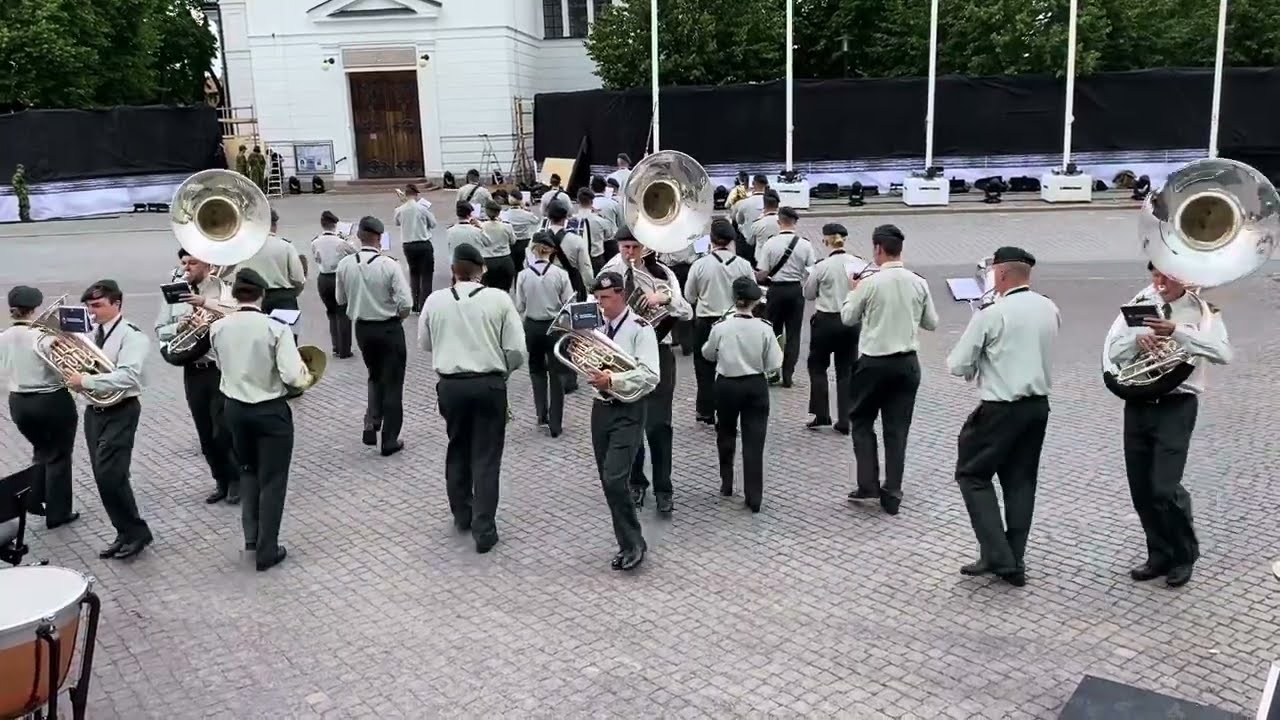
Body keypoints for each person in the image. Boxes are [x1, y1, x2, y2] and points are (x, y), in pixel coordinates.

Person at [1106, 261, 1232, 588]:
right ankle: (1158, 553)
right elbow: (1113, 351)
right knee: (1141, 489)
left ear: (1184, 278)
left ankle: (1184, 554)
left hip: (1176, 404)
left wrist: (1177, 332)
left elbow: (1222, 353)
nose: (1159, 282)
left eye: (1167, 275)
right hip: (1138, 403)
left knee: (1164, 486)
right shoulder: (1137, 307)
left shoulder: (1204, 313)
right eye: (1155, 274)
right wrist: (1138, 342)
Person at [946, 247, 1059, 587]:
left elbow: (957, 364)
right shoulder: (1049, 307)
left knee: (972, 475)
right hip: (1037, 406)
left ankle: (1000, 556)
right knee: (1021, 482)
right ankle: (1014, 557)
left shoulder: (992, 313)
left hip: (1000, 408)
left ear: (1001, 275)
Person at [420, 243, 527, 553]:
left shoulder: (435, 300)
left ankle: (462, 514)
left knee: (457, 447)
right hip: (488, 384)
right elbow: (517, 351)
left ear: (453, 270)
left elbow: (425, 343)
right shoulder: (499, 299)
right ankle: (485, 527)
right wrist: (503, 371)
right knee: (487, 456)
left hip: (451, 385)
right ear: (482, 270)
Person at [210, 268, 313, 572]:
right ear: (262, 295)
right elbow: (293, 376)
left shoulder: (218, 328)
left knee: (248, 472)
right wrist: (304, 378)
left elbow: (220, 363)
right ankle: (268, 550)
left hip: (235, 409)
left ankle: (252, 539)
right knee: (274, 479)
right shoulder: (275, 328)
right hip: (270, 410)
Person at [840, 224, 938, 515]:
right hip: (907, 363)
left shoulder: (869, 283)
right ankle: (893, 491)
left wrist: (852, 291)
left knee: (861, 419)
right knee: (897, 429)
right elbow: (931, 322)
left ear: (878, 249)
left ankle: (868, 483)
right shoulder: (918, 282)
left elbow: (848, 317)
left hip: (874, 362)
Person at [601, 229, 693, 513]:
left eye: (635, 247)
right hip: (623, 353)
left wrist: (663, 299)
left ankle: (664, 488)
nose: (629, 253)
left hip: (659, 349)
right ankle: (636, 482)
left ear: (646, 247)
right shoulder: (609, 271)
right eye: (625, 247)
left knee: (660, 424)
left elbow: (686, 310)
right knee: (631, 423)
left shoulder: (662, 273)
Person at [72, 280, 154, 559]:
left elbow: (129, 375)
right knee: (102, 476)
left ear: (116, 304)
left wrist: (86, 379)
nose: (91, 311)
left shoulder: (132, 336)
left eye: (97, 305)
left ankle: (137, 532)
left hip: (121, 410)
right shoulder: (92, 332)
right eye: (89, 306)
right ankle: (123, 531)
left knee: (112, 476)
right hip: (94, 412)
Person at [584, 271, 660, 570]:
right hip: (600, 409)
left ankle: (633, 543)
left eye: (605, 298)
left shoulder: (640, 329)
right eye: (597, 298)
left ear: (621, 295)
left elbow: (651, 375)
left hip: (629, 408)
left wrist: (612, 379)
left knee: (616, 478)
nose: (600, 304)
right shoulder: (594, 325)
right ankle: (626, 541)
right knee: (607, 478)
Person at [155, 250, 241, 504]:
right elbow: (160, 329)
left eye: (192, 262)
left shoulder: (223, 289)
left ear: (208, 264)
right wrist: (180, 326)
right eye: (183, 262)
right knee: (204, 432)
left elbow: (237, 315)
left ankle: (236, 478)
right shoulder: (174, 293)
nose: (186, 267)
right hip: (193, 369)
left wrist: (204, 304)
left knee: (222, 431)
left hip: (220, 368)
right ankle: (221, 481)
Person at [1, 285, 79, 529]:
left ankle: (34, 499)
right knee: (59, 456)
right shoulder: (44, 338)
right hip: (51, 400)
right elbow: (66, 369)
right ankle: (59, 513)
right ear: (34, 309)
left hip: (19, 403)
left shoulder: (2, 337)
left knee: (42, 449)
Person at [702, 277, 782, 512]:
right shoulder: (765, 328)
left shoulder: (721, 327)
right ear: (756, 301)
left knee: (725, 434)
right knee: (754, 441)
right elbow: (775, 363)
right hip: (755, 385)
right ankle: (753, 496)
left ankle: (727, 482)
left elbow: (708, 354)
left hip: (727, 385)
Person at [336, 216, 413, 456]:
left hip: (363, 329)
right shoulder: (389, 265)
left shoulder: (345, 264)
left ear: (359, 236)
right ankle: (389, 439)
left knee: (374, 375)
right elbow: (406, 303)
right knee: (393, 382)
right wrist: (397, 317)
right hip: (388, 327)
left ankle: (371, 420)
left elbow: (341, 300)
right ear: (379, 238)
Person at [684, 218, 756, 424]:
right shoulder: (743, 264)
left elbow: (689, 296)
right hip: (735, 320)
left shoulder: (699, 265)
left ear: (711, 240)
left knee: (704, 367)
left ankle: (705, 410)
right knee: (732, 367)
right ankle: (730, 408)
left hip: (707, 321)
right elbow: (752, 293)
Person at [514, 231, 575, 436]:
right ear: (552, 252)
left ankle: (541, 413)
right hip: (554, 326)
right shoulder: (560, 274)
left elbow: (519, 305)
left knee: (536, 370)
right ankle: (556, 422)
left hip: (532, 326)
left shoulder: (523, 275)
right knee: (557, 374)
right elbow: (568, 303)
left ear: (534, 250)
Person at [803, 223, 861, 432]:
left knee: (817, 366)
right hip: (851, 321)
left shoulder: (821, 266)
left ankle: (821, 414)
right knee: (846, 370)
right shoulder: (858, 263)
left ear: (826, 241)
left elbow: (808, 293)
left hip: (826, 320)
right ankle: (846, 419)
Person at [754, 206, 814, 387]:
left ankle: (773, 370)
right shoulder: (805, 244)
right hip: (796, 291)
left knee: (773, 331)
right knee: (794, 334)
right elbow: (811, 271)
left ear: (779, 222)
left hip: (776, 290)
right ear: (795, 222)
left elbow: (762, 272)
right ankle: (789, 373)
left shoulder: (770, 244)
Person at [237, 208, 307, 315]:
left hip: (254, 298)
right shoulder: (286, 246)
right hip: (283, 298)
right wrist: (293, 293)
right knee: (286, 331)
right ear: (275, 225)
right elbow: (298, 278)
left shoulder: (246, 247)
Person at [310, 210, 357, 358]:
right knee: (343, 312)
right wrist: (347, 240)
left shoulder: (315, 241)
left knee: (331, 313)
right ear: (335, 225)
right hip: (338, 277)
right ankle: (345, 349)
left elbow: (317, 259)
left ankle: (336, 346)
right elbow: (355, 254)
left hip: (323, 278)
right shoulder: (341, 242)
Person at [395, 184, 438, 312]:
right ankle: (425, 304)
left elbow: (397, 222)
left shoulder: (399, 210)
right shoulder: (422, 208)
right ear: (416, 194)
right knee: (426, 274)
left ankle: (415, 303)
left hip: (408, 244)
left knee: (414, 273)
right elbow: (433, 224)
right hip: (423, 243)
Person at [656, 239, 700, 356]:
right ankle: (682, 341)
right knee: (676, 303)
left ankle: (684, 342)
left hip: (681, 267)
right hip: (677, 267)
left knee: (681, 304)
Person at [575, 188, 617, 273]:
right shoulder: (599, 220)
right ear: (592, 202)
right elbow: (609, 235)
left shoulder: (571, 220)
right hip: (595, 259)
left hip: (577, 258)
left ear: (578, 201)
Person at [478, 200, 518, 291]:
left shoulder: (481, 226)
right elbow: (513, 241)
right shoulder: (507, 226)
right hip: (504, 259)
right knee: (504, 290)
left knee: (487, 290)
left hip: (488, 259)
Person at [502, 189, 540, 264]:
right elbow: (537, 221)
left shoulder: (504, 214)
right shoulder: (527, 214)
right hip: (524, 242)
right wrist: (525, 209)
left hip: (510, 243)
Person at [746, 190, 781, 257]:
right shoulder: (784, 223)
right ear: (777, 205)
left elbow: (750, 242)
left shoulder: (757, 223)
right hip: (781, 260)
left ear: (764, 205)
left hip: (762, 261)